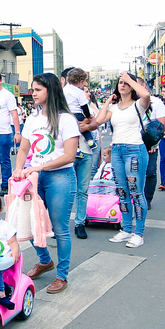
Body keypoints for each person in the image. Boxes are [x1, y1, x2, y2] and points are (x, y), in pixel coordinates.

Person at [14, 73, 80, 293]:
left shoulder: (66, 119)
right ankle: (45, 261)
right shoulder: (32, 119)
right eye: (32, 89)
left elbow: (69, 156)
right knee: (30, 224)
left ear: (50, 91)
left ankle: (62, 275)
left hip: (60, 177)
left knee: (60, 229)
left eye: (38, 90)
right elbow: (23, 149)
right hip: (34, 177)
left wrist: (40, 167)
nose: (33, 93)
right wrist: (18, 168)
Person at [94, 72, 151, 247]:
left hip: (135, 149)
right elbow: (98, 120)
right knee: (122, 191)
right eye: (120, 82)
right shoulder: (114, 108)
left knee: (136, 192)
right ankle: (126, 230)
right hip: (117, 150)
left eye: (126, 83)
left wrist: (129, 79)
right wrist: (108, 101)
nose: (123, 85)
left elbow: (145, 94)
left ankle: (139, 233)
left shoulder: (138, 105)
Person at [63, 69, 98, 239]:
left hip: (85, 152)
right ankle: (60, 225)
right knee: (65, 190)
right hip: (66, 153)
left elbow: (95, 122)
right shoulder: (63, 99)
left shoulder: (85, 103)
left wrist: (86, 124)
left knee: (82, 190)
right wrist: (79, 124)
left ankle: (80, 223)